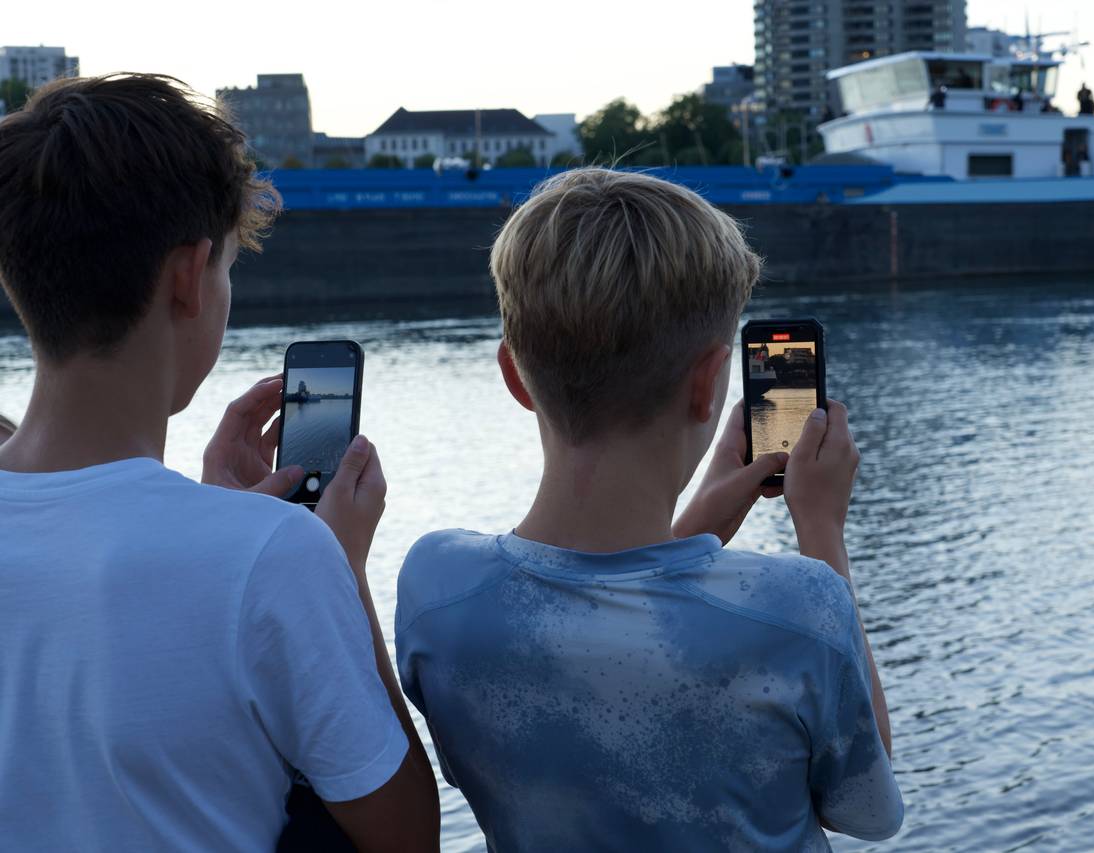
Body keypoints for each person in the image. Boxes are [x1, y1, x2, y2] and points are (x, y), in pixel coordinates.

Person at [396, 168, 903, 850]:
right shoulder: (800, 608)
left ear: (515, 376)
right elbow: (867, 809)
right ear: (709, 385)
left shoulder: (437, 586)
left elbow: (604, 607)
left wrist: (701, 521)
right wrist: (821, 529)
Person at [0, 74, 439, 850]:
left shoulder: (250, 548)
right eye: (228, 266)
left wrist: (216, 520)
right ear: (187, 278)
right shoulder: (276, 554)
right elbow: (405, 836)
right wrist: (338, 566)